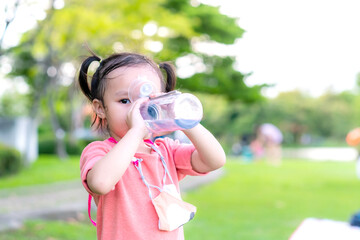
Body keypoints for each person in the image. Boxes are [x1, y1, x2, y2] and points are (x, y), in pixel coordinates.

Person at [78, 52, 226, 240]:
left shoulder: (166, 150)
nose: (137, 109)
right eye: (125, 101)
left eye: (147, 101)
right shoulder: (101, 151)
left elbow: (215, 160)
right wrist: (136, 132)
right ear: (100, 108)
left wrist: (184, 119)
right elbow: (100, 183)